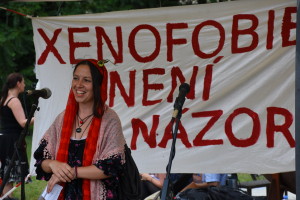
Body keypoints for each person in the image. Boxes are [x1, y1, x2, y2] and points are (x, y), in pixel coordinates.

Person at [33, 59, 126, 200]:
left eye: (86, 80)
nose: (79, 85)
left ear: (98, 85)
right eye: (76, 78)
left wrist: (72, 172)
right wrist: (53, 164)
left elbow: (111, 166)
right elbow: (42, 160)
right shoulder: (63, 118)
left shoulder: (109, 119)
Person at [0, 73, 34, 200]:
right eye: (23, 82)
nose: (24, 85)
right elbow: (23, 122)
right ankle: (8, 198)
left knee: (6, 174)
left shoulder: (4, 99)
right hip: (12, 140)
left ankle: (5, 198)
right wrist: (37, 118)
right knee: (10, 175)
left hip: (4, 139)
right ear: (18, 83)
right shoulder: (14, 100)